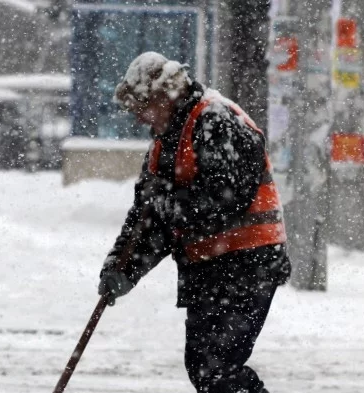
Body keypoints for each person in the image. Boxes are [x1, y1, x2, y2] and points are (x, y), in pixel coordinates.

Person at [97, 52, 291, 393]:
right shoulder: (166, 141)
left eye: (143, 107)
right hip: (211, 268)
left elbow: (225, 196)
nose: (140, 118)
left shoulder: (216, 119)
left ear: (164, 96)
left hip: (247, 262)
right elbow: (148, 218)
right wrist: (122, 267)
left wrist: (167, 203)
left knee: (215, 368)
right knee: (206, 368)